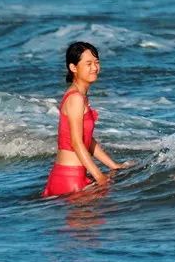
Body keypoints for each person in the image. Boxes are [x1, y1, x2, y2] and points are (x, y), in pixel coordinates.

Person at [43, 42, 129, 197]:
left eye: (97, 62)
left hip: (72, 175)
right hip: (70, 177)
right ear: (73, 68)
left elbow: (87, 139)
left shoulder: (80, 95)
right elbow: (77, 143)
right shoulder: (75, 98)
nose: (95, 68)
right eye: (88, 63)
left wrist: (114, 165)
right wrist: (99, 176)